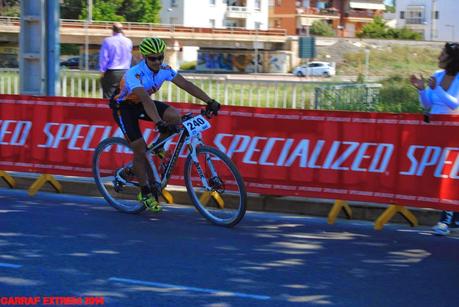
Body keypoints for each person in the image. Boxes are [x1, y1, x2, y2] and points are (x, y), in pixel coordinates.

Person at [110, 37, 221, 212]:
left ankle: (156, 148)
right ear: (145, 57)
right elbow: (146, 99)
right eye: (152, 58)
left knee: (174, 117)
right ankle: (145, 193)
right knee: (139, 149)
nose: (157, 61)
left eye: (160, 57)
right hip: (123, 106)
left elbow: (186, 84)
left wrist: (210, 101)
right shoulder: (135, 73)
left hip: (141, 103)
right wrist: (158, 123)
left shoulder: (164, 69)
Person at [410, 42, 459, 236]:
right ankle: (454, 219)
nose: (439, 57)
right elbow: (428, 104)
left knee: (448, 176)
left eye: (443, 53)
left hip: (454, 133)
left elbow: (454, 104)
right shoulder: (437, 76)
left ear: (452, 58)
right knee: (443, 175)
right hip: (436, 132)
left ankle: (445, 221)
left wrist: (437, 89)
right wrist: (422, 89)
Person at [99, 22, 133, 99]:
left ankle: (109, 111)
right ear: (122, 30)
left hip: (112, 72)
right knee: (122, 96)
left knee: (108, 96)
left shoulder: (107, 41)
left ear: (112, 30)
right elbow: (129, 57)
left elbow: (104, 58)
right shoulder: (128, 41)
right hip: (125, 72)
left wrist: (102, 72)